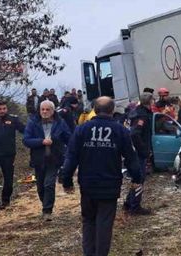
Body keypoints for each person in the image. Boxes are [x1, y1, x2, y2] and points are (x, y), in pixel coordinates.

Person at [61, 97, 142, 256]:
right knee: (104, 223)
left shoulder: (82, 129)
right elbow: (131, 158)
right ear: (112, 110)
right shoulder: (120, 130)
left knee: (88, 221)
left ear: (95, 109)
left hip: (88, 184)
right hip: (109, 185)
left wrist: (67, 180)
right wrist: (137, 178)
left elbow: (71, 157)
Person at [23, 100, 72, 219]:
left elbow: (68, 138)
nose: (45, 112)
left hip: (54, 158)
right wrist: (41, 141)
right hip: (39, 159)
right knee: (40, 187)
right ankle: (45, 203)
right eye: (42, 109)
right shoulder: (33, 122)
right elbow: (26, 140)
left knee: (49, 184)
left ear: (53, 111)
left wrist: (69, 153)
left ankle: (47, 211)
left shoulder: (60, 122)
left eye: (47, 109)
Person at [124, 93, 154, 214]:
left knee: (136, 178)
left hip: (134, 151)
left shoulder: (138, 112)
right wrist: (143, 150)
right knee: (139, 178)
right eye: (152, 100)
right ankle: (135, 207)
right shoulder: (142, 116)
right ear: (149, 102)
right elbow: (135, 134)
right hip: (137, 153)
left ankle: (129, 202)